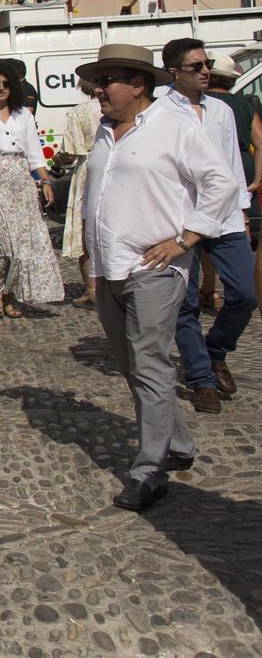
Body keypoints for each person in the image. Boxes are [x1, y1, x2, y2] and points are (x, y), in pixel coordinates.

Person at [76, 44, 240, 512]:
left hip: (155, 269)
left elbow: (221, 183)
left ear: (137, 86)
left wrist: (187, 239)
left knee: (149, 364)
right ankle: (179, 444)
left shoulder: (174, 127)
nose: (98, 90)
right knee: (133, 365)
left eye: (106, 81)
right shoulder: (107, 132)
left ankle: (150, 470)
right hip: (111, 267)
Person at [160, 38, 257, 413]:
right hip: (179, 215)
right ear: (174, 71)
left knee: (245, 294)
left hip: (224, 214)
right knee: (184, 303)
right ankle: (201, 378)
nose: (205, 71)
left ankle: (215, 350)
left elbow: (232, 165)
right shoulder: (158, 108)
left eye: (207, 64)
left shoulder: (221, 110)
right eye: (196, 66)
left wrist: (243, 213)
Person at [0, 58, 63, 318]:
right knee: (1, 239)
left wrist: (44, 182)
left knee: (23, 244)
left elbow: (35, 152)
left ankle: (9, 294)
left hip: (20, 180)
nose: (0, 88)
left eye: (5, 84)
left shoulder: (24, 115)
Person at [56, 79, 103, 309]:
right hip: (114, 168)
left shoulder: (80, 112)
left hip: (88, 171)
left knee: (85, 231)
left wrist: (58, 159)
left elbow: (70, 152)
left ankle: (93, 291)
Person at [208, 54, 262, 231]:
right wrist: (256, 179)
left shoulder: (202, 103)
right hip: (244, 164)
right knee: (242, 217)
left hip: (214, 164)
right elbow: (260, 143)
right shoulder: (244, 104)